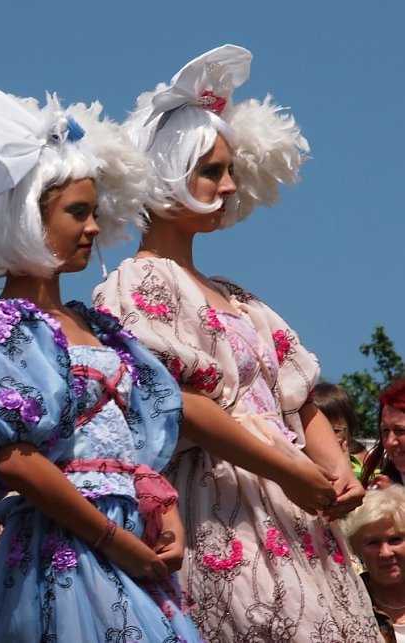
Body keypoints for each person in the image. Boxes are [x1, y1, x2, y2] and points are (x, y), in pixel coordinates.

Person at [93, 45, 379, 640]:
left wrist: (334, 470)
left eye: (230, 170)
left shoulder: (238, 295)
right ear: (165, 172)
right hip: (219, 509)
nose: (228, 184)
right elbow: (180, 406)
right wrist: (292, 472)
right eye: (210, 170)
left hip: (296, 510)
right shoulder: (134, 283)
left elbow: (298, 398)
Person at [0, 84, 200, 641]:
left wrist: (159, 509)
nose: (95, 228)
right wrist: (112, 539)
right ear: (28, 216)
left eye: (95, 212)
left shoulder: (98, 325)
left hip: (129, 544)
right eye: (78, 212)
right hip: (64, 550)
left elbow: (127, 444)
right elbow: (16, 462)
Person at [343, 485, 405, 643]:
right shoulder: (348, 604)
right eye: (373, 543)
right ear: (357, 549)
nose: (385, 552)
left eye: (395, 540)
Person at [314, 381, 364, 479]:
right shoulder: (296, 467)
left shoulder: (366, 474)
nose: (326, 440)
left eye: (335, 431)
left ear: (351, 431)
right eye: (316, 432)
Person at [362, 377, 405, 488]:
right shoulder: (380, 487)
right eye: (385, 430)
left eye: (400, 430)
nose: (390, 442)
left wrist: (395, 498)